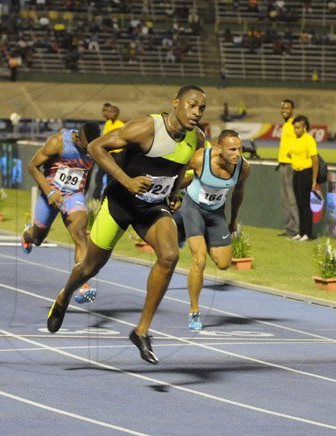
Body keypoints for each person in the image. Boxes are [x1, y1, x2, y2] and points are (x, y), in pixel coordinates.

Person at [47, 85, 207, 364]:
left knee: (169, 256)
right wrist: (128, 181)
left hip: (152, 207)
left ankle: (141, 331)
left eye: (201, 108)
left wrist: (173, 192)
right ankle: (64, 296)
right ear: (175, 103)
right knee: (90, 267)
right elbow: (96, 148)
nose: (196, 112)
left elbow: (180, 165)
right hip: (121, 203)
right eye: (192, 105)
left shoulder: (197, 137)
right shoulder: (147, 128)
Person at [174, 129, 250, 330]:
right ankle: (194, 312)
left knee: (224, 264)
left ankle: (190, 232)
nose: (237, 154)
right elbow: (181, 169)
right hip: (193, 208)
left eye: (239, 149)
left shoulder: (242, 167)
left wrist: (233, 219)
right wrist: (173, 195)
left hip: (216, 214)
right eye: (232, 149)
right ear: (218, 148)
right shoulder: (200, 159)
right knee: (199, 260)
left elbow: (238, 192)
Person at [22, 122, 101, 304]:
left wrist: (82, 193)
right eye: (85, 145)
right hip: (50, 193)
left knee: (81, 235)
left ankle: (84, 286)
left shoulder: (94, 147)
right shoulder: (58, 142)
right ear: (77, 137)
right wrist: (50, 192)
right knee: (37, 238)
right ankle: (27, 234)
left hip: (74, 195)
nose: (88, 149)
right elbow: (32, 166)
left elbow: (87, 172)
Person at [289, 115, 319, 242]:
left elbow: (315, 160)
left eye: (298, 128)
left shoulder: (309, 139)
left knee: (305, 204)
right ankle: (300, 233)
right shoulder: (295, 139)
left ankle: (307, 233)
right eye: (295, 128)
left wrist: (314, 179)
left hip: (306, 173)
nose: (296, 130)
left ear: (304, 127)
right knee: (299, 204)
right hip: (296, 173)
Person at [277, 99, 299, 238]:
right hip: (283, 164)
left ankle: (297, 229)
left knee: (292, 199)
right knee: (285, 199)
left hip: (291, 165)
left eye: (287, 107)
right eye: (283, 107)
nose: (285, 110)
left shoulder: (296, 123)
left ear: (292, 110)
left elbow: (301, 139)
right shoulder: (286, 125)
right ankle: (290, 229)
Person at [91, 102, 112, 200]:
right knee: (98, 179)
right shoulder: (106, 124)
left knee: (109, 180)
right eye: (103, 111)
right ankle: (96, 201)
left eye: (107, 111)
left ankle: (106, 200)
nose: (105, 113)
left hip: (111, 158)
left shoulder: (115, 124)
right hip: (103, 156)